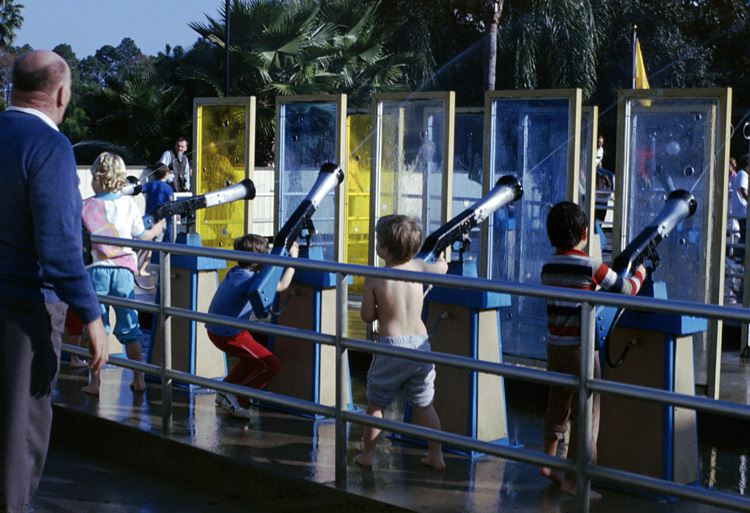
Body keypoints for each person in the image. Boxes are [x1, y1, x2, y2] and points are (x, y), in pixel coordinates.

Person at [0, 49, 108, 513]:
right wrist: (92, 316)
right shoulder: (50, 147)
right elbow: (61, 248)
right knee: (18, 440)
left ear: (12, 87)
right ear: (61, 93)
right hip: (24, 312)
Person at [539, 201, 645, 499]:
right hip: (580, 351)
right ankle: (576, 479)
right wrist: (640, 275)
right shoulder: (589, 264)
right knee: (587, 414)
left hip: (554, 348)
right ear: (585, 233)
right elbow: (624, 288)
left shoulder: (548, 266)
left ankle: (547, 463)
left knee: (557, 406)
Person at [354, 215, 448, 471]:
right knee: (424, 404)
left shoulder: (375, 277)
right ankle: (436, 456)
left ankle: (367, 456)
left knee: (376, 404)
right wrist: (441, 260)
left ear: (384, 250)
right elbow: (441, 269)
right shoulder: (419, 266)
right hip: (420, 344)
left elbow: (366, 315)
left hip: (390, 346)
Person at [81, 152, 164, 396]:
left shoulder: (86, 206)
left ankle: (95, 383)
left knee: (98, 327)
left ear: (97, 177)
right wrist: (158, 227)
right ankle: (139, 379)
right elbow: (142, 236)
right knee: (130, 327)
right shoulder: (129, 204)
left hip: (96, 272)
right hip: (125, 272)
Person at [205, 234, 299, 418]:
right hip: (228, 333)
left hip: (221, 329)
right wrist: (293, 261)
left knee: (251, 359)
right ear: (258, 260)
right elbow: (281, 286)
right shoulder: (250, 279)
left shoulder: (237, 272)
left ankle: (225, 390)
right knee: (271, 364)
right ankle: (237, 396)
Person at [137, 163, 174, 276]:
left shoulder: (150, 184)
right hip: (160, 221)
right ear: (167, 174)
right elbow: (171, 202)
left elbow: (140, 189)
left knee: (145, 244)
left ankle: (136, 263)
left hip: (148, 219)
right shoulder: (168, 188)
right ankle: (142, 269)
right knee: (151, 247)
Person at [732, 154, 749, 263]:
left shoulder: (742, 174)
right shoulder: (743, 174)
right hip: (742, 209)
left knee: (745, 233)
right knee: (746, 233)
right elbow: (743, 190)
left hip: (742, 209)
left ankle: (740, 255)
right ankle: (737, 254)